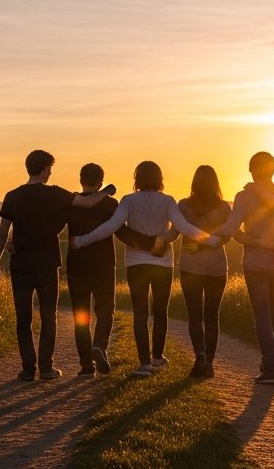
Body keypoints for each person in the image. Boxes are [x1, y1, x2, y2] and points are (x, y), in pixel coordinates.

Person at [70, 161, 217, 377]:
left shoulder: (128, 201)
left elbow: (111, 227)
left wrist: (82, 240)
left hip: (136, 264)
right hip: (162, 264)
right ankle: (157, 357)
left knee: (140, 312)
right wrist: (210, 239)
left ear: (137, 178)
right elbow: (183, 227)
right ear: (160, 179)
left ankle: (144, 363)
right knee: (160, 312)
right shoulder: (167, 201)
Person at [0, 150, 115, 381]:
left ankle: (28, 368)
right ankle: (46, 368)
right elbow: (87, 203)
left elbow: (2, 233)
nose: (50, 173)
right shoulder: (55, 194)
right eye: (50, 169)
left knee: (23, 317)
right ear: (45, 169)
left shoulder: (12, 196)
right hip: (47, 264)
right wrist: (108, 190)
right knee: (49, 316)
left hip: (21, 265)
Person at [212, 151, 274, 385]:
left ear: (251, 170)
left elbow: (231, 229)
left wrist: (206, 233)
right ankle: (269, 363)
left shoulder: (244, 196)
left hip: (256, 265)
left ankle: (270, 367)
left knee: (262, 318)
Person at [172, 165, 231, 378]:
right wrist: (211, 242)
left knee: (195, 315)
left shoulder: (184, 206)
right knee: (212, 316)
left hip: (190, 266)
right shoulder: (224, 207)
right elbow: (227, 236)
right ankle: (210, 362)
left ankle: (200, 357)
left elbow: (174, 233)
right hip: (216, 267)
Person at [65, 162, 119, 377]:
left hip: (77, 266)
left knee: (81, 315)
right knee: (105, 311)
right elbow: (121, 229)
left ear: (80, 180)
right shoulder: (111, 204)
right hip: (104, 265)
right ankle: (99, 346)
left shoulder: (71, 204)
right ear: (100, 182)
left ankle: (86, 366)